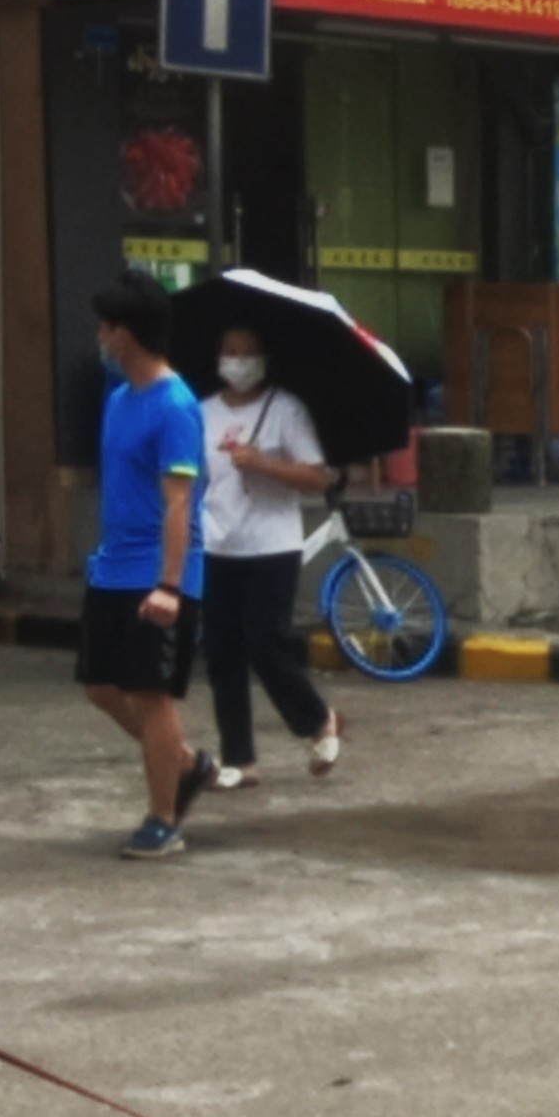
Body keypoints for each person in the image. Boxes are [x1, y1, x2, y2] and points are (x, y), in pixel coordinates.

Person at [80, 274, 213, 859]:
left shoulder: (176, 406)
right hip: (112, 567)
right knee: (101, 687)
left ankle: (164, 818)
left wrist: (170, 585)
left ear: (127, 334)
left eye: (108, 326)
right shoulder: (118, 400)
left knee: (152, 694)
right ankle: (185, 763)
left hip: (155, 573)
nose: (101, 336)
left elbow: (179, 501)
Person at [195, 322, 345, 791]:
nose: (238, 361)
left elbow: (319, 477)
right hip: (218, 544)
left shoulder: (285, 409)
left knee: (267, 646)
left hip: (271, 547)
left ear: (263, 360)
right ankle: (240, 759)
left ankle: (318, 720)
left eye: (249, 352)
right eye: (230, 351)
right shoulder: (200, 412)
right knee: (223, 656)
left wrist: (264, 464)